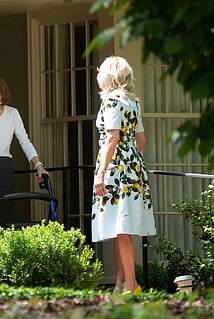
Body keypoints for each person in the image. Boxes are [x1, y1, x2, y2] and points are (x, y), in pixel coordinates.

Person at [92, 56, 156, 294]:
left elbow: (112, 137)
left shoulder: (110, 101)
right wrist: (130, 161)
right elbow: (141, 140)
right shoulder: (132, 102)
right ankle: (121, 284)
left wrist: (102, 172)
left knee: (119, 227)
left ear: (107, 76)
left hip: (115, 171)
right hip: (134, 170)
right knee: (120, 227)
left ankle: (131, 284)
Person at [0, 76, 48, 227]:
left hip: (3, 168)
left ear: (1, 98)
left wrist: (38, 165)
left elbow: (24, 141)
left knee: (3, 215)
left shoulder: (12, 114)